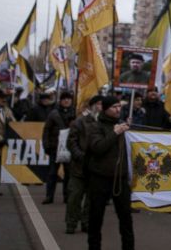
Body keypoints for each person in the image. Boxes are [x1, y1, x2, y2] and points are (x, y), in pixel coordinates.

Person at [85, 96, 133, 250]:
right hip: (100, 179)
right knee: (96, 218)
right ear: (105, 109)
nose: (118, 110)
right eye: (114, 107)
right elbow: (98, 147)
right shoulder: (96, 126)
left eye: (119, 106)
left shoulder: (123, 126)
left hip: (120, 179)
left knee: (126, 219)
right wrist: (115, 133)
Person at [66, 95, 101, 235]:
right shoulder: (79, 122)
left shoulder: (103, 123)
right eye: (98, 104)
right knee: (75, 197)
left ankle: (86, 223)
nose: (100, 107)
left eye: (102, 104)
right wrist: (79, 155)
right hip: (79, 168)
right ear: (92, 106)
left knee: (91, 200)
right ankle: (71, 223)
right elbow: (71, 142)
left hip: (96, 168)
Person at [42, 91, 75, 205]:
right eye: (64, 99)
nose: (66, 101)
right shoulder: (53, 114)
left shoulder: (75, 113)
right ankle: (49, 196)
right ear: (60, 101)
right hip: (54, 148)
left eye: (69, 99)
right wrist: (46, 145)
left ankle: (67, 196)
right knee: (52, 173)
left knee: (69, 174)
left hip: (70, 148)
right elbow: (46, 130)